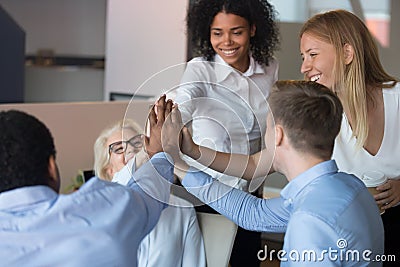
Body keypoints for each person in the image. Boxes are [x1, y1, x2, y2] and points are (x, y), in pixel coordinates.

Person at [158, 81, 385, 266]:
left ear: (277, 135)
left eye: (265, 128)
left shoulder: (309, 221)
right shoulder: (349, 186)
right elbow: (253, 213)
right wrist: (181, 162)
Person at [170, 0, 280, 265]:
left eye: (236, 32)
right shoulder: (201, 69)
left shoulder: (269, 68)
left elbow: (269, 124)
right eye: (217, 32)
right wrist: (174, 120)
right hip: (206, 190)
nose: (226, 41)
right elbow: (186, 95)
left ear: (253, 29)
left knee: (247, 260)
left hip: (249, 190)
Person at [0, 108, 173, 267]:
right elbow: (148, 191)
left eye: (136, 143)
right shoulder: (106, 208)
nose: (130, 153)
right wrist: (159, 152)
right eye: (119, 149)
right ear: (51, 168)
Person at [299, 9, 399, 264]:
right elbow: (261, 164)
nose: (304, 67)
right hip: (353, 241)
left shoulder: (397, 98)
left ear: (347, 53)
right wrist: (194, 153)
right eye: (303, 57)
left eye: (312, 55)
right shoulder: (322, 118)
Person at [93, 117, 206, 267]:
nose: (131, 150)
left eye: (138, 143)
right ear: (109, 172)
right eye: (119, 148)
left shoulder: (182, 210)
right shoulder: (100, 212)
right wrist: (144, 154)